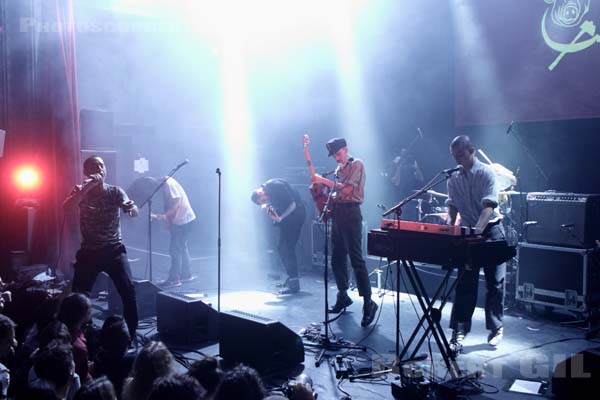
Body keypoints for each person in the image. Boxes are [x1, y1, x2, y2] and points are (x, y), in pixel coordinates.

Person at [63, 156, 139, 340]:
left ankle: (131, 334)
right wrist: (85, 189)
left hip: (113, 250)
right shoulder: (80, 192)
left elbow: (133, 210)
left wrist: (132, 209)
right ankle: (80, 335)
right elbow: (66, 208)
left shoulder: (115, 192)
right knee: (79, 296)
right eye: (94, 166)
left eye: (102, 166)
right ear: (86, 172)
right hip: (89, 251)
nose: (99, 169)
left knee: (128, 291)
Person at [445, 135, 506, 352]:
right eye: (454, 156)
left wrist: (478, 231)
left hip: (491, 231)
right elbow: (452, 205)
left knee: (494, 284)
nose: (457, 160)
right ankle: (459, 330)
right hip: (469, 231)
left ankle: (496, 328)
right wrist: (450, 228)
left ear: (471, 150)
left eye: (460, 155)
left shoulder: (486, 173)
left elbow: (488, 206)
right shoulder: (453, 178)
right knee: (465, 282)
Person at [311, 138, 377, 327]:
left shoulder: (357, 164)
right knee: (337, 258)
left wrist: (322, 181)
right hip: (338, 213)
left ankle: (368, 303)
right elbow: (338, 193)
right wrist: (324, 197)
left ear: (346, 149)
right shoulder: (338, 170)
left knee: (356, 259)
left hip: (351, 213)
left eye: (338, 154)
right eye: (334, 156)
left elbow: (347, 189)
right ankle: (343, 296)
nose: (336, 159)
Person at [251, 179, 306, 294]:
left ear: (260, 193)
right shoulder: (269, 191)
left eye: (262, 200)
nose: (265, 201)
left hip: (295, 216)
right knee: (282, 247)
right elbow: (277, 213)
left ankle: (294, 282)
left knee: (287, 247)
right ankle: (292, 279)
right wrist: (269, 211)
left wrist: (281, 218)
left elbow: (292, 205)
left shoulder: (276, 186)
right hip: (289, 218)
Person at [147, 177, 196, 288]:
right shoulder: (166, 186)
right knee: (182, 247)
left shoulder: (170, 185)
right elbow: (169, 206)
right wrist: (168, 222)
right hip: (183, 220)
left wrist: (163, 216)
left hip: (183, 220)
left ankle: (174, 279)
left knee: (175, 250)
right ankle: (186, 274)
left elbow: (176, 205)